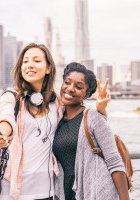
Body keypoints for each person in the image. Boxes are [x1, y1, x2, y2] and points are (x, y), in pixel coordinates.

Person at [0, 43, 109, 200]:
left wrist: (101, 109)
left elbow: (85, 119)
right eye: (25, 61)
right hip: (12, 192)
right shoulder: (11, 97)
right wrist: (1, 135)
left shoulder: (57, 101)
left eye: (36, 61)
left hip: (48, 191)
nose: (30, 65)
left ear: (48, 68)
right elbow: (6, 118)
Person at [52, 62, 129, 200]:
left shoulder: (93, 117)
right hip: (66, 193)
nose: (70, 89)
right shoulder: (56, 119)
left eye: (78, 86)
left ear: (86, 94)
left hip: (95, 193)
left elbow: (115, 161)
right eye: (67, 82)